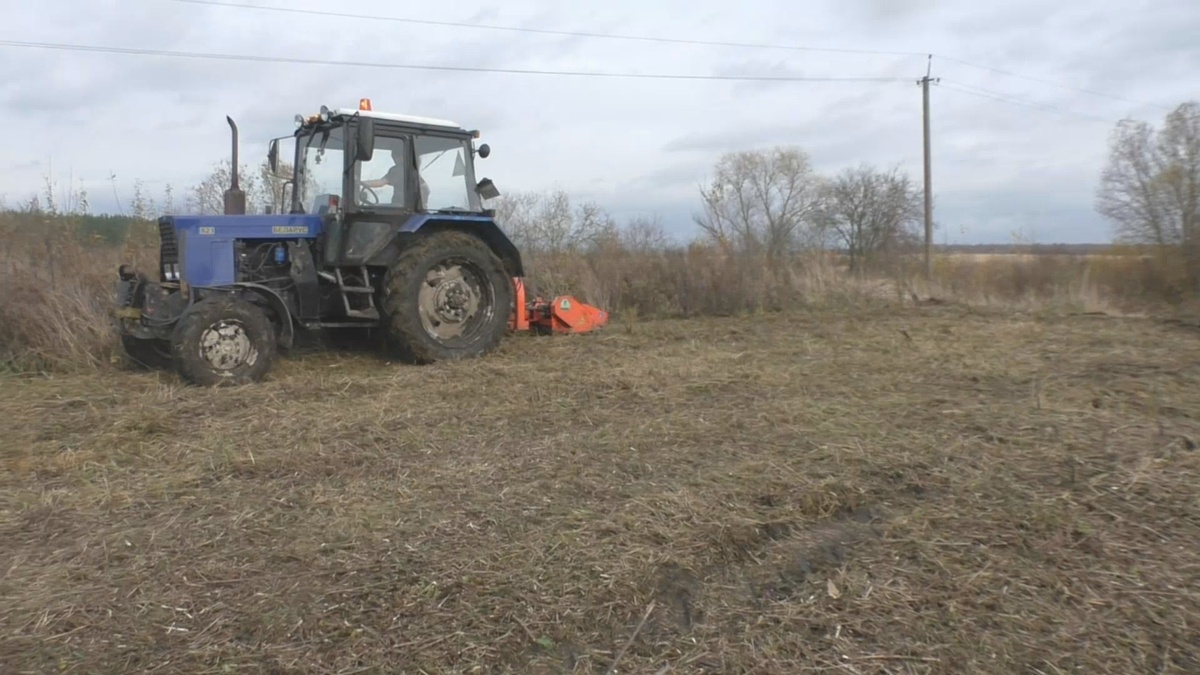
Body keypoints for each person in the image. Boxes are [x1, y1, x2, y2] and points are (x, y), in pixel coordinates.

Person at [360, 145, 429, 207]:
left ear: (400, 157)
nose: (394, 159)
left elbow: (381, 183)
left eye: (395, 157)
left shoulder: (399, 169)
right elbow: (426, 189)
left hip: (401, 207)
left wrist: (359, 182)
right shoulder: (413, 171)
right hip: (410, 208)